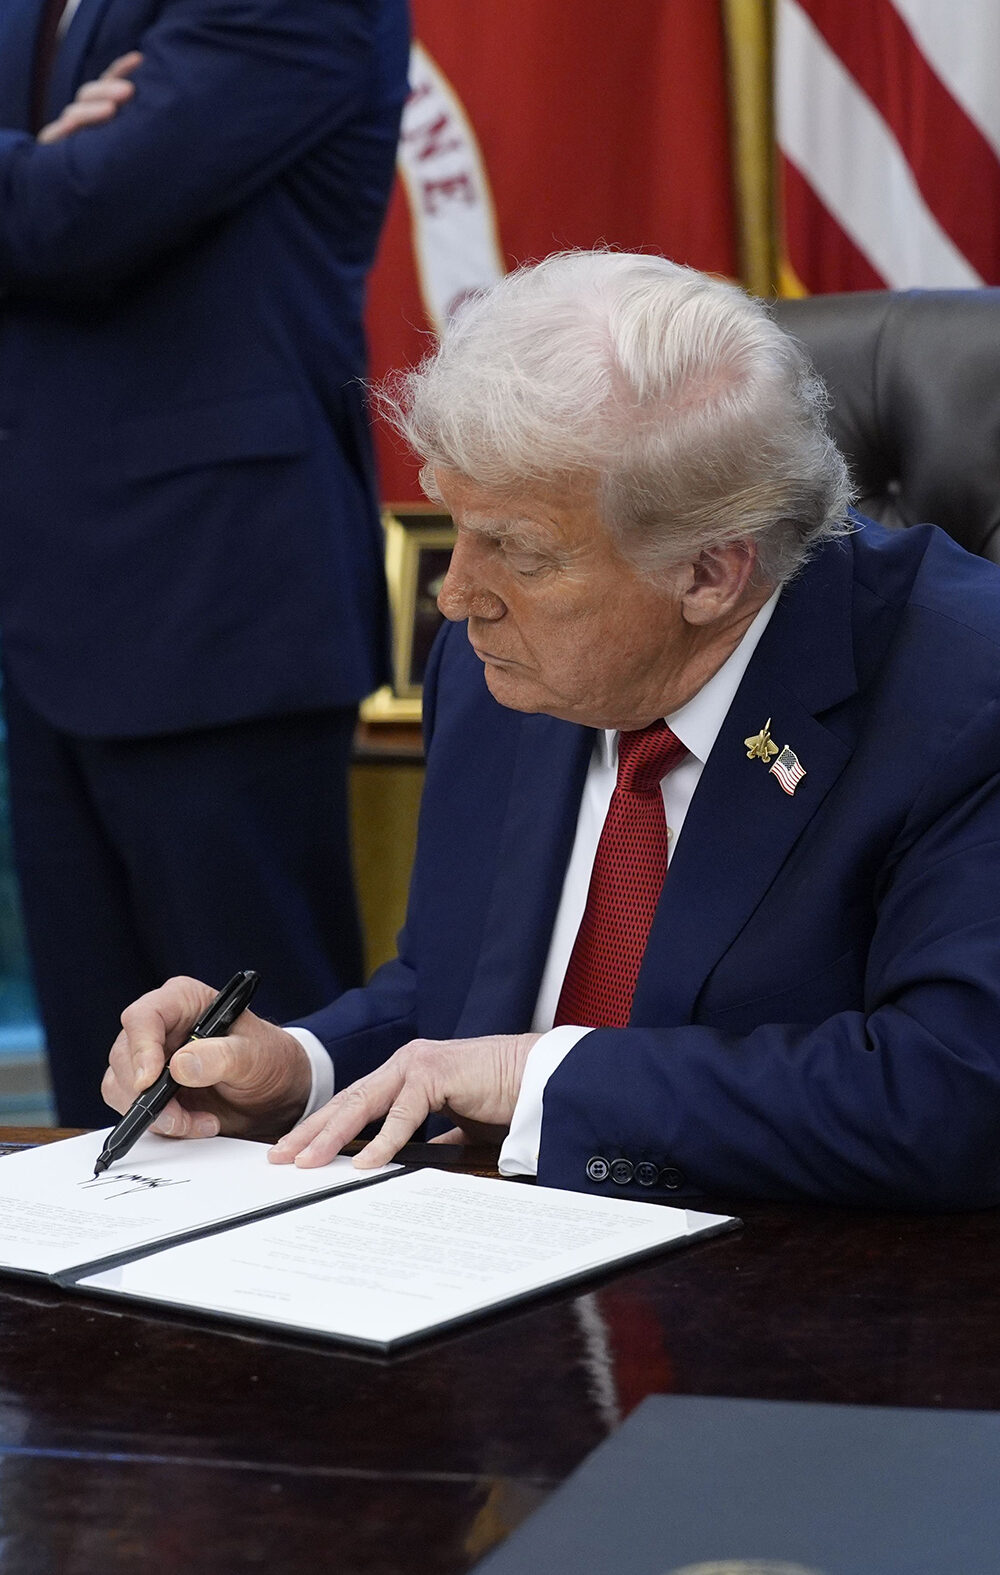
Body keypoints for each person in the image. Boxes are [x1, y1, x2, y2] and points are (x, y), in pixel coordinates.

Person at [104, 251, 1000, 1209]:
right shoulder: (500, 668)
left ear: (710, 574)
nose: (456, 597)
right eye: (458, 526)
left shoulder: (965, 690)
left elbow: (952, 1092)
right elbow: (461, 992)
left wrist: (539, 1079)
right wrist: (301, 1068)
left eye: (518, 552)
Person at [0, 0, 410, 1126]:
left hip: (215, 598)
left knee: (260, 1089)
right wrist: (32, 165)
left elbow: (73, 215)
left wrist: (40, 173)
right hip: (49, 601)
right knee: (105, 1105)